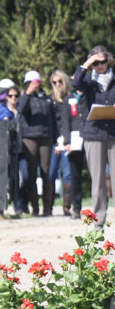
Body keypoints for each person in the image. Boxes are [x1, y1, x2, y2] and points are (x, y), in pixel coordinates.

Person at [72, 45, 115, 230]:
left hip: (113, 133)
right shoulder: (89, 81)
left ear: (109, 60)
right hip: (94, 134)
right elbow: (75, 84)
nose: (100, 66)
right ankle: (98, 221)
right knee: (97, 179)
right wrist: (87, 63)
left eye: (102, 61)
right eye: (96, 63)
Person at [17, 70, 56, 216]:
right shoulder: (24, 97)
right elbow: (21, 110)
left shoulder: (47, 99)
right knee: (32, 173)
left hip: (46, 138)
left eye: (36, 82)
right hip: (29, 137)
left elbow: (52, 120)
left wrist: (56, 138)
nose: (34, 85)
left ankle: (47, 207)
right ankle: (35, 207)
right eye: (30, 82)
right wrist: (27, 93)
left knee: (46, 172)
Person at [58, 71, 85, 220]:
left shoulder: (89, 95)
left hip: (90, 137)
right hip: (74, 140)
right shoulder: (68, 98)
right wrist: (67, 142)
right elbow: (65, 122)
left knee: (99, 173)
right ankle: (76, 208)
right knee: (75, 175)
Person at [48, 70, 74, 216]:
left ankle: (67, 207)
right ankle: (49, 206)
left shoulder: (71, 98)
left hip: (69, 140)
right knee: (51, 174)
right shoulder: (51, 101)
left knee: (68, 174)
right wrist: (57, 142)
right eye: (54, 82)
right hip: (54, 141)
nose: (57, 84)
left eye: (60, 81)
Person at [2, 85, 28, 215]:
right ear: (7, 97)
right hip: (10, 149)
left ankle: (24, 203)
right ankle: (17, 206)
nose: (14, 98)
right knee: (14, 179)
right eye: (11, 96)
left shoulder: (21, 111)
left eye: (16, 96)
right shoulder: (4, 111)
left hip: (23, 148)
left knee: (26, 176)